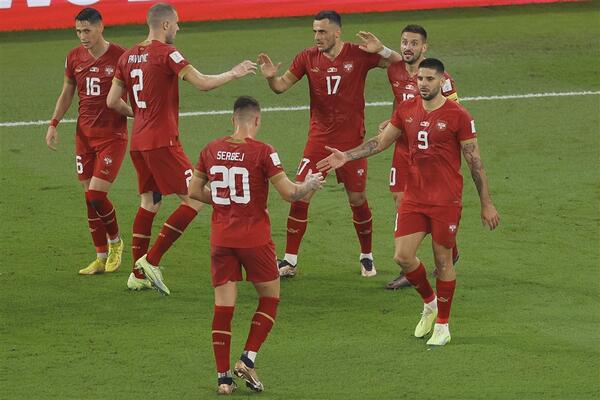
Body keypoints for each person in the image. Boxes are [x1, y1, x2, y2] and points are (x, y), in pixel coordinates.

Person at [317, 58, 500, 346]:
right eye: (420, 79)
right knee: (402, 256)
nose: (424, 84)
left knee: (442, 261)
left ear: (442, 81)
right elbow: (380, 142)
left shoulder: (458, 115)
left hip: (445, 200)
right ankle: (430, 303)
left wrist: (486, 203)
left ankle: (443, 324)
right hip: (414, 196)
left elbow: (475, 163)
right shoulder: (406, 110)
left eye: (430, 79)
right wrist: (347, 156)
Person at [107, 2, 256, 294]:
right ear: (164, 25)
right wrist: (234, 73)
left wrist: (139, 116)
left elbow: (112, 101)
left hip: (138, 141)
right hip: (163, 142)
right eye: (176, 23)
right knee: (195, 198)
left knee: (149, 202)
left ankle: (137, 274)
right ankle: (151, 260)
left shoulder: (126, 57)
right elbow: (202, 83)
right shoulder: (167, 53)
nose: (178, 27)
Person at [188, 96, 325, 394]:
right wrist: (309, 185)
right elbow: (291, 194)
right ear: (257, 120)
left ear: (232, 119)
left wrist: (225, 200)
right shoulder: (264, 152)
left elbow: (194, 190)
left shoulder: (209, 149)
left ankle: (223, 379)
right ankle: (248, 358)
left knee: (223, 308)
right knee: (270, 297)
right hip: (254, 240)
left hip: (221, 238)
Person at [258, 10, 402, 278]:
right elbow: (280, 86)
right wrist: (269, 77)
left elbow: (400, 63)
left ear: (337, 32)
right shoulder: (306, 57)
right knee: (300, 194)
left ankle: (366, 256)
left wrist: (382, 49)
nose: (317, 37)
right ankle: (290, 261)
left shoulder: (358, 54)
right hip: (319, 141)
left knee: (357, 198)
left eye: (322, 32)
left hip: (351, 142)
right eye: (314, 31)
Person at [45, 8, 127, 275]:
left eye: (87, 31)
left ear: (101, 27)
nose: (82, 36)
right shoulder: (73, 57)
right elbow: (67, 93)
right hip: (84, 136)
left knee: (96, 194)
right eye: (78, 31)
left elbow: (137, 93)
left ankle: (116, 243)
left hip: (112, 136)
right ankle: (100, 257)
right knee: (88, 198)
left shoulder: (121, 57)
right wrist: (53, 123)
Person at [379, 25, 460, 290]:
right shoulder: (395, 71)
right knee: (400, 200)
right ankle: (412, 262)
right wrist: (392, 122)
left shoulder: (440, 78)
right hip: (403, 149)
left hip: (429, 154)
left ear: (424, 47)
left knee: (427, 204)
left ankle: (432, 256)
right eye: (404, 42)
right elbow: (398, 104)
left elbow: (455, 113)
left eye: (414, 43)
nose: (407, 47)